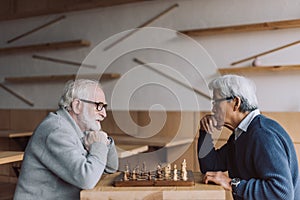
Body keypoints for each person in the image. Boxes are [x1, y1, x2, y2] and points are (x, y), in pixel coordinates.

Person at [197, 74, 299, 200]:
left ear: (236, 102)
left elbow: (281, 192)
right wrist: (205, 132)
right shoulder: (240, 135)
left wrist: (231, 183)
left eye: (216, 102)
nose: (212, 108)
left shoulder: (262, 135)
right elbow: (210, 166)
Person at [14, 79, 119, 200]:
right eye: (98, 106)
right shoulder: (56, 130)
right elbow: (87, 179)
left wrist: (105, 142)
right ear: (77, 106)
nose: (104, 114)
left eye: (104, 107)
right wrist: (99, 144)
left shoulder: (79, 128)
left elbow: (110, 168)